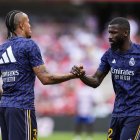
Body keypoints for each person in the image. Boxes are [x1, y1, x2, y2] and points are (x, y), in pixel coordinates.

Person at [0, 10, 84, 140]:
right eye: (28, 22)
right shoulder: (29, 45)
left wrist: (7, 97)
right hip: (22, 107)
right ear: (21, 25)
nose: (30, 25)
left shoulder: (1, 48)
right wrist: (72, 75)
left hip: (4, 108)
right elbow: (45, 78)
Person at [71, 17, 140, 140]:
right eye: (109, 32)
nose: (109, 36)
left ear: (125, 33)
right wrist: (81, 76)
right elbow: (96, 81)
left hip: (136, 114)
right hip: (117, 113)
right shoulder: (109, 54)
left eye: (113, 32)